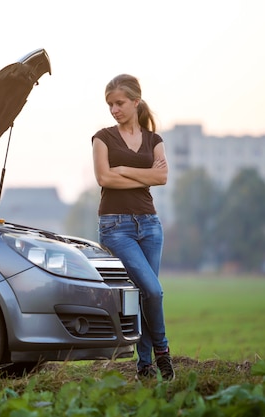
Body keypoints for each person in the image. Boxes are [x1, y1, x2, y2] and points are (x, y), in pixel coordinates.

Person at [91, 74, 174, 381]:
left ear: (136, 102)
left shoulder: (154, 140)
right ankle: (163, 351)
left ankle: (145, 367)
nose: (114, 109)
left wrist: (124, 168)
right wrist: (144, 173)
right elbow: (104, 178)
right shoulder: (102, 138)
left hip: (150, 224)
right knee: (152, 289)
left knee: (146, 295)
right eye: (110, 104)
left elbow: (162, 178)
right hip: (116, 227)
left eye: (119, 103)